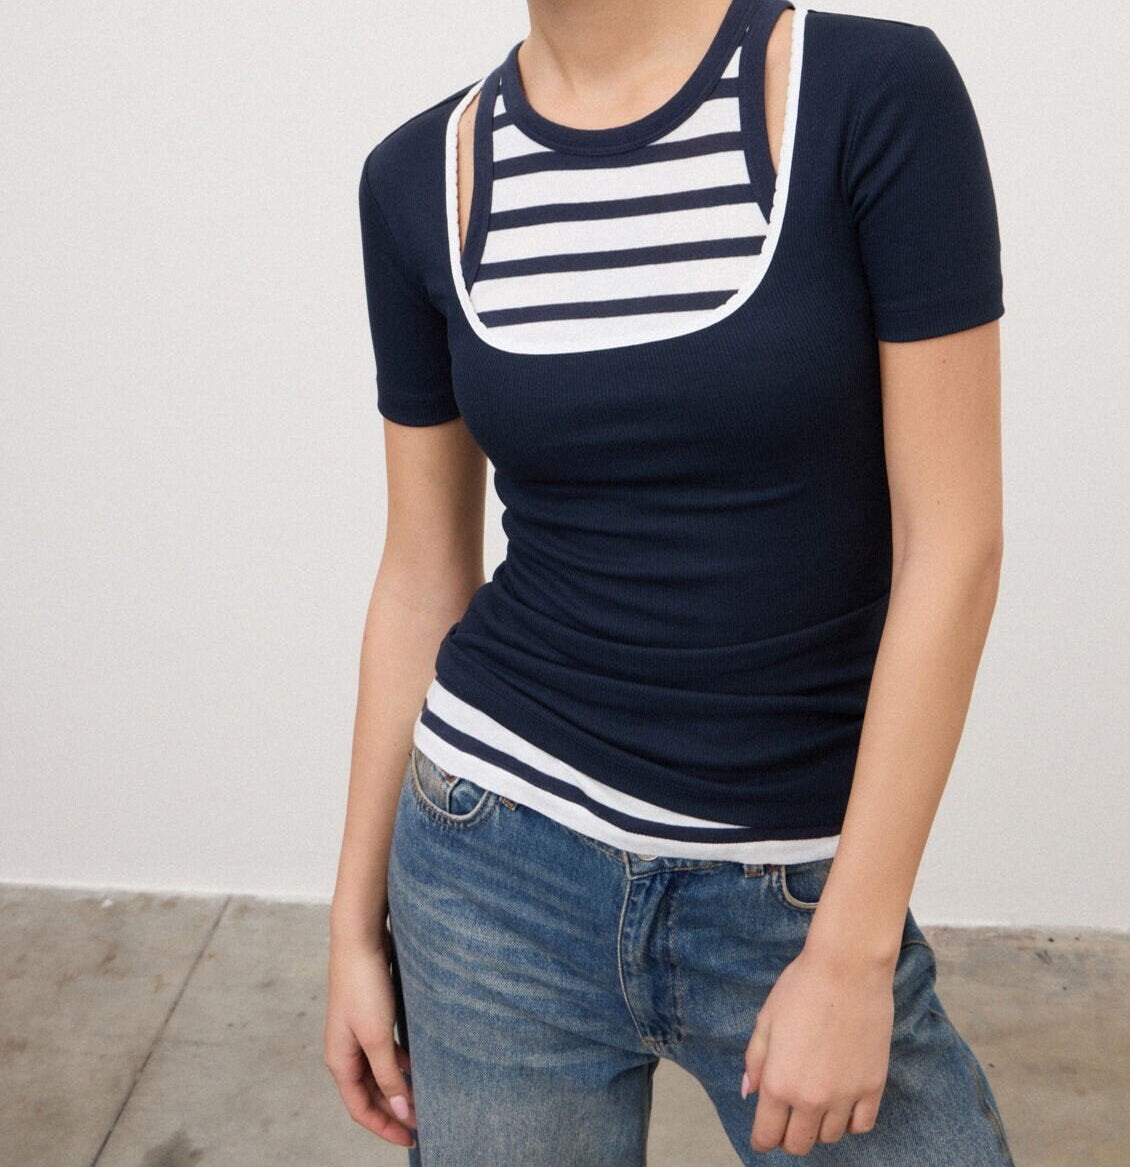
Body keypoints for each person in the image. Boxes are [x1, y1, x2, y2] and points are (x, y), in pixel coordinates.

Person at [326, 1, 1015, 1163]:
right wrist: (353, 923)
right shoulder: (418, 179)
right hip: (493, 867)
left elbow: (954, 547)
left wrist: (851, 953)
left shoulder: (863, 91)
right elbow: (420, 575)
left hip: (791, 888)